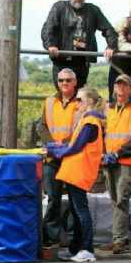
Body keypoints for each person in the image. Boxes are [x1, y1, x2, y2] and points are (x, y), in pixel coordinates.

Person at [47, 87, 105, 263]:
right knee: (76, 209)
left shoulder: (91, 122)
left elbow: (75, 147)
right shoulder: (86, 120)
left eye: (80, 100)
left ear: (89, 102)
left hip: (80, 171)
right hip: (75, 171)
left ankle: (87, 248)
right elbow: (73, 144)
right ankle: (76, 248)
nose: (77, 103)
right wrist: (55, 148)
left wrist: (54, 151)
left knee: (81, 211)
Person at [41, 0, 117, 87]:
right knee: (63, 90)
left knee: (79, 93)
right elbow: (49, 28)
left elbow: (108, 29)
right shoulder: (60, 7)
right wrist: (50, 45)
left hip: (82, 60)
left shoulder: (93, 10)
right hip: (62, 58)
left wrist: (111, 46)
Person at [102, 74, 131, 254]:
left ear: (130, 89)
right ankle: (122, 236)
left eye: (124, 85)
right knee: (114, 200)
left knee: (122, 200)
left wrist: (118, 153)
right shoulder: (107, 109)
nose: (120, 88)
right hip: (109, 160)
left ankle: (120, 239)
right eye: (118, 85)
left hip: (128, 160)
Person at [38, 68, 80, 247]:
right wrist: (52, 145)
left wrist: (65, 146)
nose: (64, 83)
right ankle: (51, 235)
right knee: (53, 198)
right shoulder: (49, 102)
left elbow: (82, 128)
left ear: (75, 82)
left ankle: (71, 236)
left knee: (74, 199)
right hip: (52, 157)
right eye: (61, 80)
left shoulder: (81, 102)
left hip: (72, 156)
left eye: (68, 80)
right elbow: (41, 126)